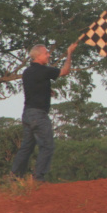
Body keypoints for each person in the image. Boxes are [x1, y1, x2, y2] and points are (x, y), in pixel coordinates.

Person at [10, 41, 78, 182]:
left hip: (27, 114)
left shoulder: (27, 72)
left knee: (26, 148)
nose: (49, 55)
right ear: (38, 56)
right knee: (47, 145)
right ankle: (39, 177)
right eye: (46, 53)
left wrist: (48, 91)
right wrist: (69, 53)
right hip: (39, 115)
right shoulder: (43, 71)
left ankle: (15, 176)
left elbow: (35, 87)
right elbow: (64, 71)